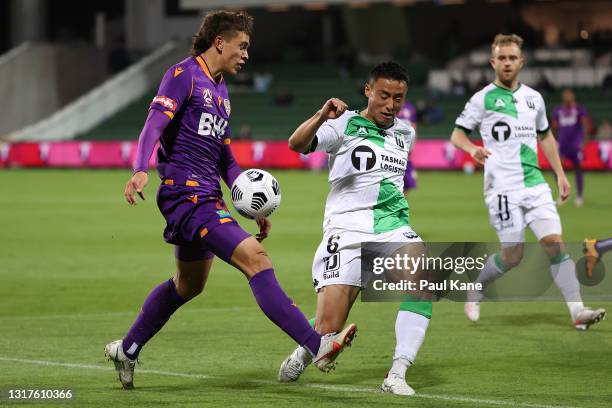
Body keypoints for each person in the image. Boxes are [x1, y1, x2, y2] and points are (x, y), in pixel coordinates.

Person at [104, 10, 356, 390]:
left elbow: (226, 157)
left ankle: (128, 348)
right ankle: (315, 343)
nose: (246, 54)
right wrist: (140, 167)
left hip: (207, 195)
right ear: (219, 42)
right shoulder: (183, 75)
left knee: (188, 286)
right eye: (243, 46)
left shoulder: (221, 91)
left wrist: (252, 202)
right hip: (185, 194)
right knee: (256, 259)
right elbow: (153, 124)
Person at [279, 62, 432, 396]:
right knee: (328, 328)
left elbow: (390, 182)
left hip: (391, 228)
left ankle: (397, 373)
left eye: (399, 98)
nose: (391, 105)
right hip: (345, 231)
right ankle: (305, 351)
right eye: (384, 96)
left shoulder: (405, 133)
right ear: (368, 91)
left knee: (422, 279)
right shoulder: (344, 123)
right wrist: (322, 116)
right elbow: (296, 143)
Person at [450, 34, 606, 331]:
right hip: (501, 189)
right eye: (502, 58)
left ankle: (577, 311)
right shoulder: (481, 99)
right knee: (513, 256)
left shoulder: (534, 98)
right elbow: (457, 134)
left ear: (521, 62)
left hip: (534, 184)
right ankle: (477, 288)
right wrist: (472, 149)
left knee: (555, 244)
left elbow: (545, 136)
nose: (507, 63)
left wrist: (560, 174)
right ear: (493, 62)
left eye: (512, 58)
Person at [552, 89, 590, 206]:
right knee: (557, 170)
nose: (567, 97)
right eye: (565, 95)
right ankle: (563, 194)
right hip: (562, 145)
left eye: (569, 95)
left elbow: (586, 124)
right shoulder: (558, 110)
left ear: (573, 97)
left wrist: (585, 140)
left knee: (578, 169)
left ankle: (579, 196)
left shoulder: (579, 110)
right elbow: (553, 127)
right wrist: (554, 141)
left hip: (575, 145)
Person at [397, 101, 418, 196]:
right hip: (392, 147)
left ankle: (401, 206)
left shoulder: (410, 107)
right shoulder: (389, 105)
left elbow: (413, 126)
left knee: (407, 184)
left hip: (405, 150)